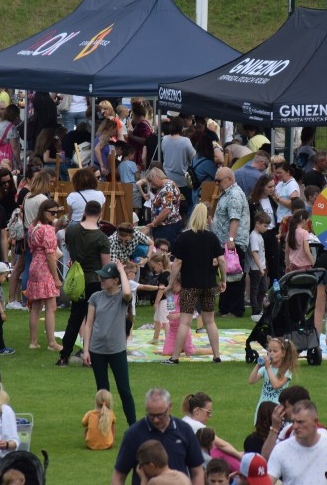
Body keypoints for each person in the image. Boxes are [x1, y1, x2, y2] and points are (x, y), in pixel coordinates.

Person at [166, 203, 225, 364]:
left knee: (185, 322)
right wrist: (223, 279)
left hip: (189, 285)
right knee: (210, 321)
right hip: (209, 284)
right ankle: (217, 355)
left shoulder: (184, 237)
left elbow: (177, 262)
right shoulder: (212, 237)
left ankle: (175, 357)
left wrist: (171, 283)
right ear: (207, 218)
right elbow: (221, 260)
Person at [57, 200, 111, 368]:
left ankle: (64, 355)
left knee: (75, 317)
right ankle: (92, 355)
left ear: (85, 212)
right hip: (95, 281)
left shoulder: (71, 231)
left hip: (77, 278)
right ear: (100, 214)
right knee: (95, 320)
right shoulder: (102, 238)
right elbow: (106, 265)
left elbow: (70, 252)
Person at [112, 388, 205, 485]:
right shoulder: (133, 434)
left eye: (160, 415)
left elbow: (197, 471)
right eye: (151, 415)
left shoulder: (185, 430)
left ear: (170, 407)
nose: (156, 420)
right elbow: (119, 476)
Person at [81, 261, 136, 424]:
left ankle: (133, 426)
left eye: (105, 278)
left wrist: (121, 270)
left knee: (124, 390)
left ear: (116, 280)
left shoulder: (122, 298)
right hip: (97, 350)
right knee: (103, 391)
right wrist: (86, 350)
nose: (101, 280)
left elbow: (127, 292)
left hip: (116, 350)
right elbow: (89, 324)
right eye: (101, 277)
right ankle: (104, 426)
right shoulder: (95, 297)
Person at [26, 199, 63, 351]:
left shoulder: (33, 226)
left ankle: (33, 341)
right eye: (52, 212)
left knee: (35, 306)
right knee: (50, 306)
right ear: (44, 211)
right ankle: (52, 342)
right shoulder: (47, 229)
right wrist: (56, 278)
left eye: (56, 212)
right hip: (45, 267)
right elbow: (49, 255)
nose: (55, 215)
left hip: (34, 265)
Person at [213, 167, 250, 318]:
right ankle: (224, 308)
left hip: (233, 243)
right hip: (225, 242)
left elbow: (235, 219)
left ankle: (235, 309)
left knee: (234, 276)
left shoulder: (234, 195)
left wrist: (231, 239)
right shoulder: (227, 193)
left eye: (219, 180)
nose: (216, 184)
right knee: (226, 275)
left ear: (229, 179)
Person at [248, 337, 297, 420]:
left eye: (275, 351)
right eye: (269, 351)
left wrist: (268, 368)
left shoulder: (286, 371)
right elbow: (251, 380)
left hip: (277, 408)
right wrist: (257, 366)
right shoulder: (266, 369)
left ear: (283, 354)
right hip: (262, 405)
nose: (271, 354)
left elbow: (276, 385)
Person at [248, 174, 280, 282]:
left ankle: (274, 287)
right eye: (269, 187)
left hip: (272, 233)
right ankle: (258, 289)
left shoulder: (273, 200)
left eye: (273, 186)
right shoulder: (253, 201)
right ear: (262, 187)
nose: (272, 189)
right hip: (259, 234)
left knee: (274, 263)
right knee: (258, 264)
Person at [145, 167, 184, 244]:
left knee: (164, 251)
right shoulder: (169, 184)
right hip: (169, 226)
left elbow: (166, 210)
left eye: (152, 182)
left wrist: (153, 224)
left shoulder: (167, 188)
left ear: (156, 177)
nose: (152, 185)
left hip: (167, 227)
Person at [248, 212, 271, 316]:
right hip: (256, 268)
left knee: (263, 288)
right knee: (255, 289)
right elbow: (254, 253)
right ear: (257, 223)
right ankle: (255, 310)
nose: (266, 228)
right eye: (265, 226)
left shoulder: (259, 236)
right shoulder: (254, 236)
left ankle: (259, 307)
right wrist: (260, 267)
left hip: (261, 267)